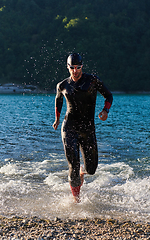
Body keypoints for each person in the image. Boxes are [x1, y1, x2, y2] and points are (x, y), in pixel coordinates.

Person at [52, 53, 113, 203]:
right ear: (68, 67)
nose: (75, 71)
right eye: (72, 68)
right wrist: (57, 120)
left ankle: (82, 172)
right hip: (69, 127)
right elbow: (58, 101)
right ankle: (76, 200)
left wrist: (105, 111)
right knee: (73, 164)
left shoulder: (92, 80)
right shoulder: (62, 85)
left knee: (91, 169)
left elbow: (109, 96)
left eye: (78, 67)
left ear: (82, 67)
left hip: (88, 129)